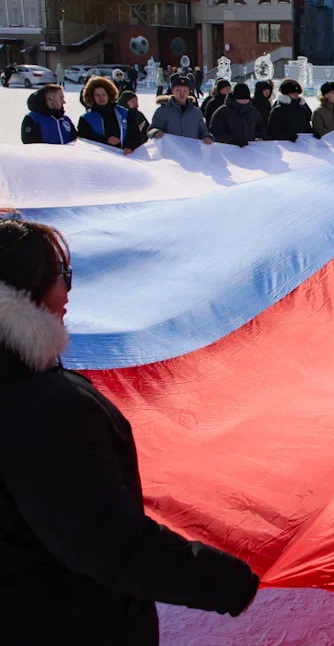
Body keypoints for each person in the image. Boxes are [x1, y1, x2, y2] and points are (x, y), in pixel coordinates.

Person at [0, 212, 260, 643]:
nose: (66, 291)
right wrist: (227, 581)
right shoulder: (41, 407)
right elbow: (108, 544)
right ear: (23, 290)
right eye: (60, 274)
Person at [78, 76, 149, 155]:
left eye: (104, 94)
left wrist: (130, 146)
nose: (101, 98)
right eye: (97, 95)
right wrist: (105, 140)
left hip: (124, 156)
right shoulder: (86, 118)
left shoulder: (124, 113)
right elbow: (85, 139)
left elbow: (134, 134)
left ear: (109, 94)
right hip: (98, 158)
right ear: (92, 97)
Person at [149, 75, 212, 143]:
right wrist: (155, 132)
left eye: (185, 90)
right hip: (170, 152)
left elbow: (203, 131)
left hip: (192, 151)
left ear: (189, 92)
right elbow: (151, 130)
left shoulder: (196, 112)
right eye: (178, 90)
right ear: (172, 90)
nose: (182, 93)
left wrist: (207, 136)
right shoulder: (163, 111)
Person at [209, 83, 266, 147]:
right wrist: (234, 141)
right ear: (235, 98)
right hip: (228, 150)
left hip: (249, 150)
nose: (244, 102)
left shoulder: (253, 111)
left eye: (246, 99)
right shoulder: (222, 112)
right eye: (241, 99)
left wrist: (260, 137)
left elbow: (261, 127)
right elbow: (216, 133)